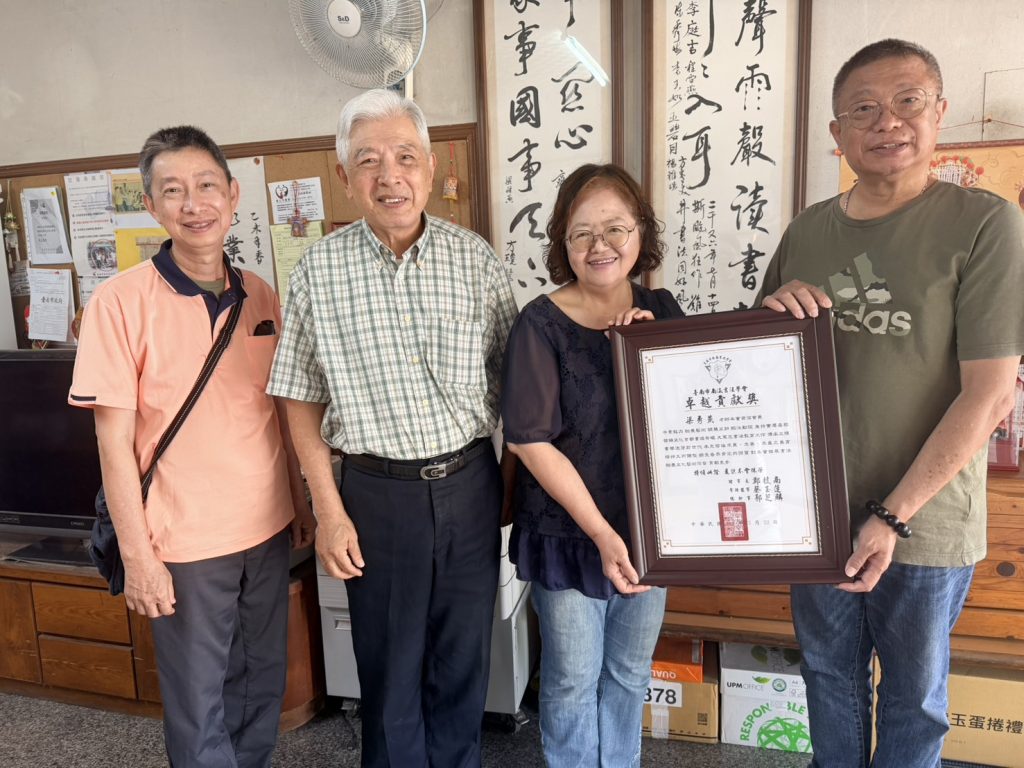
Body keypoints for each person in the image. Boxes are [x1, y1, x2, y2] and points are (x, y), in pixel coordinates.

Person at [758, 39, 1024, 768]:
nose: (887, 122)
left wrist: (893, 515)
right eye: (864, 109)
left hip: (925, 521)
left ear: (939, 113)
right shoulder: (807, 230)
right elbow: (755, 368)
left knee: (914, 696)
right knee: (828, 680)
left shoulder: (985, 223)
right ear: (836, 132)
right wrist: (773, 312)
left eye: (908, 101)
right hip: (816, 515)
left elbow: (990, 391)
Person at [267, 89, 518, 768]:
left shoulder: (476, 260)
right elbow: (299, 397)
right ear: (344, 176)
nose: (389, 176)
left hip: (469, 483)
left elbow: (521, 385)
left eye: (405, 157)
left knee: (463, 666)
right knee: (388, 675)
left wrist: (512, 488)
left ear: (430, 168)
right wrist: (328, 511)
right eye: (368, 160)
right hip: (374, 496)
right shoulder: (319, 270)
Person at [69, 125, 316, 768]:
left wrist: (299, 502)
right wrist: (139, 558)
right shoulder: (118, 303)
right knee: (200, 705)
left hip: (267, 529)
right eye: (173, 190)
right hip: (182, 544)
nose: (193, 203)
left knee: (261, 687)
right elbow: (112, 446)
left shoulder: (259, 294)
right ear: (152, 205)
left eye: (206, 185)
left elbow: (278, 411)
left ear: (232, 196)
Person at [501, 163, 683, 768]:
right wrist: (603, 536)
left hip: (650, 532)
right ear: (564, 242)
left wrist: (655, 351)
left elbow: (695, 417)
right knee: (573, 679)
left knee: (629, 673)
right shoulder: (541, 322)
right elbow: (530, 441)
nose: (599, 245)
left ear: (640, 233)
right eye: (581, 232)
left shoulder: (661, 309)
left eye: (615, 228)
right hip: (569, 533)